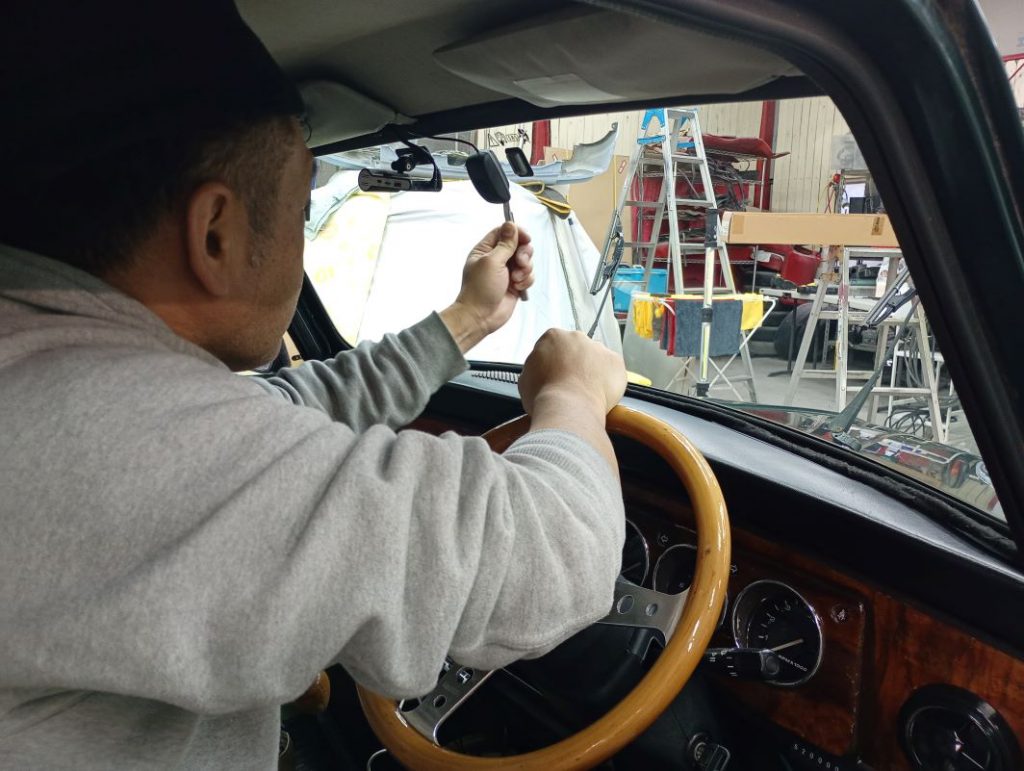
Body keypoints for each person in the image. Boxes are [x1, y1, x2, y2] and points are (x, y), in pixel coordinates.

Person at [0, 1, 627, 768]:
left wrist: (466, 320)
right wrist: (574, 393)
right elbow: (553, 553)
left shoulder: (49, 378)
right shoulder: (107, 432)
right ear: (216, 233)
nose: (300, 232)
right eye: (301, 210)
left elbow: (271, 412)